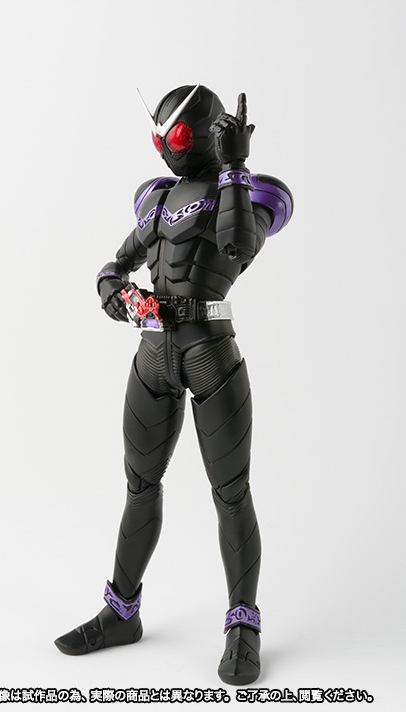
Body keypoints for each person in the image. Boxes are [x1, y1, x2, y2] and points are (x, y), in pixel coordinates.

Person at [54, 85, 293, 685]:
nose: (166, 148)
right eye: (159, 138)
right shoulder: (157, 199)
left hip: (210, 352)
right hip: (153, 354)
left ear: (208, 134)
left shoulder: (246, 194)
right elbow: (113, 265)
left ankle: (243, 627)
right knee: (140, 486)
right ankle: (121, 612)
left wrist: (236, 167)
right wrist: (115, 294)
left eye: (177, 136)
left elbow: (239, 244)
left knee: (231, 493)